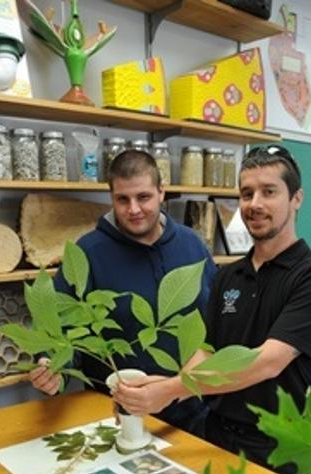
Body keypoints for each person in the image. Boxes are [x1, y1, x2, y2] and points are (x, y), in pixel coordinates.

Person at [112, 145, 311, 474]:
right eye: (247, 193)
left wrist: (169, 390)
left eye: (269, 192)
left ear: (297, 198)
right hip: (217, 435)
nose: (255, 204)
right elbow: (207, 350)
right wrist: (165, 386)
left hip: (283, 446)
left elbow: (268, 362)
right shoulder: (228, 275)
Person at [29, 149, 217, 435]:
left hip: (195, 412)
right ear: (111, 198)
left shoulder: (192, 246)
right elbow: (58, 329)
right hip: (119, 416)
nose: (134, 209)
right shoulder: (88, 253)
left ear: (161, 192)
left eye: (143, 197)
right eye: (122, 199)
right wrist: (51, 365)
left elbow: (216, 323)